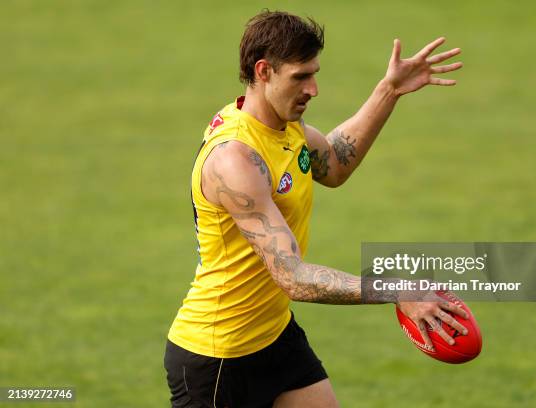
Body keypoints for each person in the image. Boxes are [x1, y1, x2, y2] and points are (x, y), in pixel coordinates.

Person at [164, 10, 468, 408]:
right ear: (264, 71)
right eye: (301, 77)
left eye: (314, 73)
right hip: (219, 356)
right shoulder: (235, 160)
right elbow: (292, 277)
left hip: (273, 334)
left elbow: (336, 164)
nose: (314, 89)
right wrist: (395, 289)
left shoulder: (281, 125)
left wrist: (388, 91)